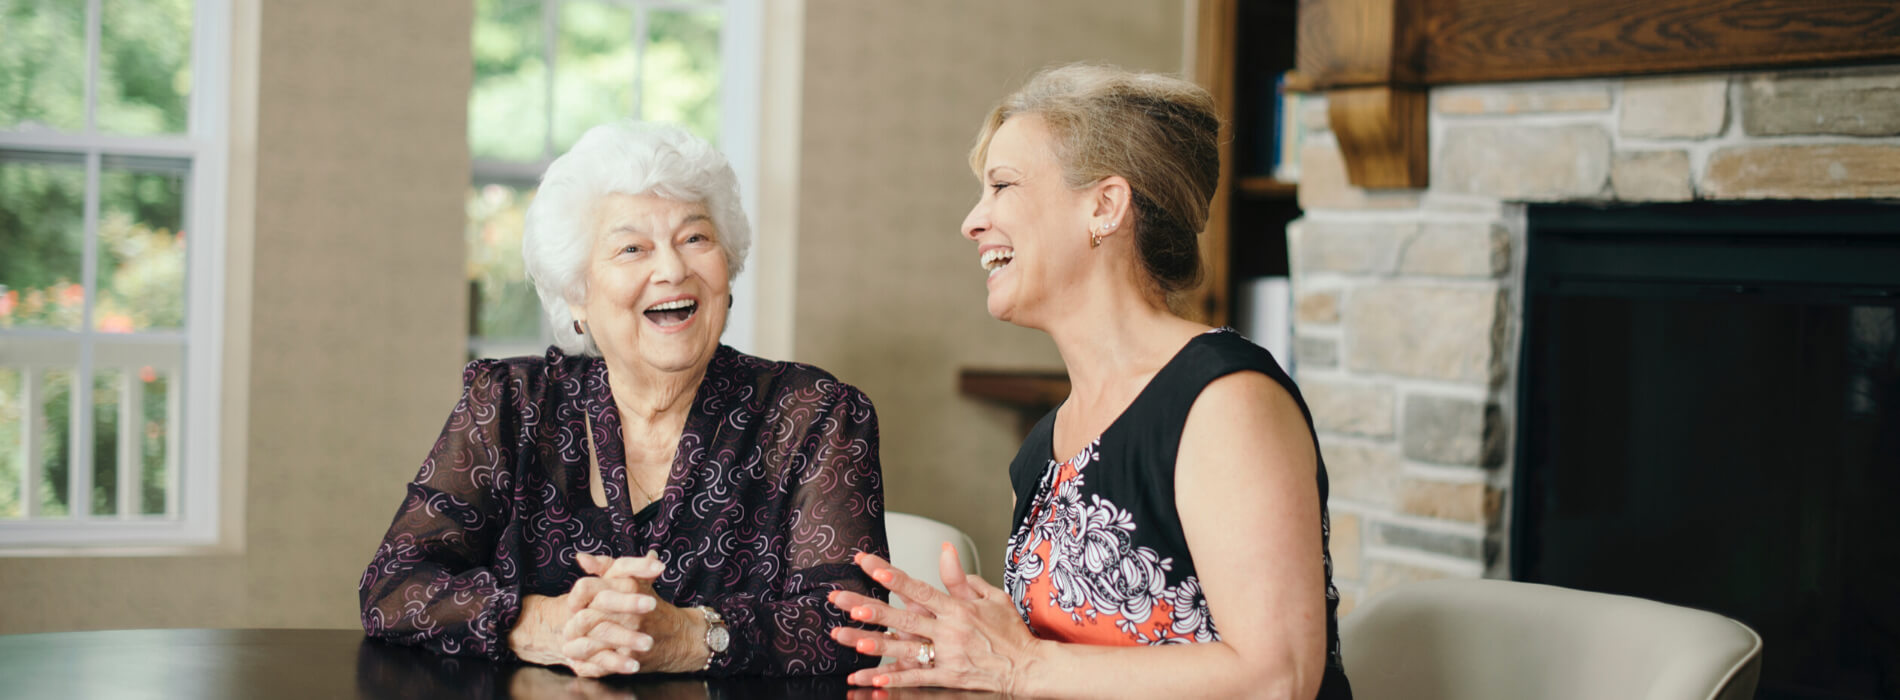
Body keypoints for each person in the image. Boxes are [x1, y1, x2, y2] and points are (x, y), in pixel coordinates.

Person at [824, 64, 1353, 699]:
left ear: (1105, 206)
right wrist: (960, 662)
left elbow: (1279, 678)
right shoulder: (1044, 447)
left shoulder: (1222, 400)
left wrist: (1018, 666)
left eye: (1002, 185)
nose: (973, 221)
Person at [359, 122, 888, 678]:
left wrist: (691, 635)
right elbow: (395, 584)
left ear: (726, 270)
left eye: (695, 238)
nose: (672, 269)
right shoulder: (512, 404)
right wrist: (545, 623)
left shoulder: (815, 415)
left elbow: (856, 626)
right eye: (632, 248)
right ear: (576, 294)